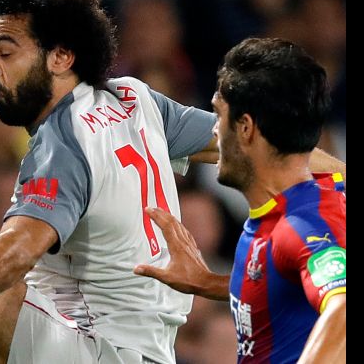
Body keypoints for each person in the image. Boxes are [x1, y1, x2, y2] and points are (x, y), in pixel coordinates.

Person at [0, 0, 341, 364]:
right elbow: (263, 148)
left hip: (91, 346)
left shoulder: (64, 137)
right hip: (139, 350)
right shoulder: (135, 99)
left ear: (61, 57)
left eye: (6, 48)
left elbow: (23, 242)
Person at [133, 37, 345, 363]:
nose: (214, 133)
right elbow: (285, 288)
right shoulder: (288, 209)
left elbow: (342, 310)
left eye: (219, 116)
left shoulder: (304, 223)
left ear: (245, 128)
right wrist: (207, 283)